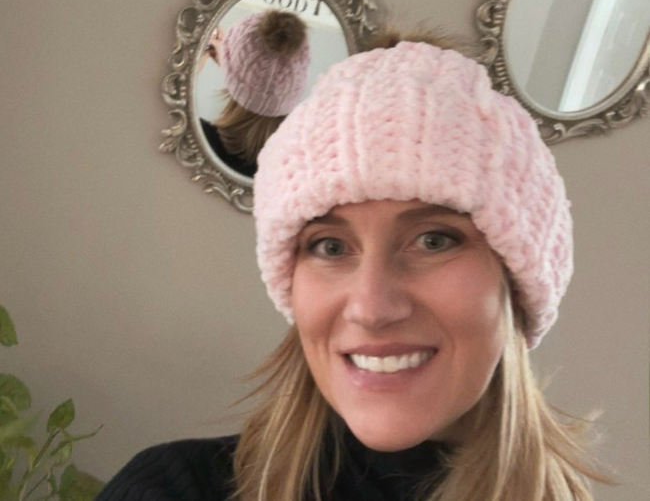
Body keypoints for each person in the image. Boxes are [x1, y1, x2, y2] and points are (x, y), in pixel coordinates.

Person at [98, 32, 608, 501]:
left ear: (517, 282)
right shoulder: (174, 488)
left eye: (433, 241)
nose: (371, 307)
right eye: (330, 247)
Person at [199, 9, 311, 177]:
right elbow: (265, 87)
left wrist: (191, 70)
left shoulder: (199, 140)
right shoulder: (299, 165)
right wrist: (235, 71)